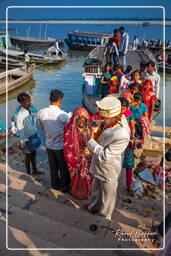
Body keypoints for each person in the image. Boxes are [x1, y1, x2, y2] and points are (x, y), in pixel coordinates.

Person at [85, 96, 130, 220]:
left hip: (109, 169)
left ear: (114, 117)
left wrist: (90, 140)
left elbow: (105, 156)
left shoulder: (122, 134)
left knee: (107, 196)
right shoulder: (110, 120)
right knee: (96, 189)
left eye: (103, 118)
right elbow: (102, 126)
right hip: (98, 165)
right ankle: (93, 207)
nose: (101, 120)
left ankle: (104, 217)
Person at [37, 90, 70, 191]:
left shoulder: (41, 112)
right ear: (60, 101)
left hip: (49, 144)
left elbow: (41, 126)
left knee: (53, 166)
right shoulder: (64, 115)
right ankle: (64, 187)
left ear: (50, 99)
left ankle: (55, 185)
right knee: (63, 167)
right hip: (60, 146)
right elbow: (68, 131)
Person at [64, 107, 93, 200]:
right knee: (77, 177)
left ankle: (87, 193)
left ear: (86, 119)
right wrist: (76, 159)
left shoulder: (90, 128)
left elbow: (95, 143)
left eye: (83, 119)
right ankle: (77, 193)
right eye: (78, 119)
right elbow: (67, 147)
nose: (81, 122)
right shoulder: (69, 129)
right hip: (75, 157)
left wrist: (89, 153)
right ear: (75, 119)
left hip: (88, 157)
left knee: (87, 176)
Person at [15, 93, 43, 175]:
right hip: (28, 140)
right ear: (21, 103)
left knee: (33, 154)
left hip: (34, 136)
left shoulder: (29, 110)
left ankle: (34, 170)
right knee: (28, 156)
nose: (29, 102)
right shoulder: (20, 116)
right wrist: (29, 145)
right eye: (26, 101)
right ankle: (28, 173)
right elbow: (21, 133)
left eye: (29, 100)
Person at [118, 97, 135, 192]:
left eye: (124, 108)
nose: (122, 110)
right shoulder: (115, 114)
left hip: (127, 140)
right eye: (121, 107)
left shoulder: (129, 114)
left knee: (128, 164)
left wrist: (132, 137)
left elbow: (132, 128)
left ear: (127, 108)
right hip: (117, 140)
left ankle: (129, 184)